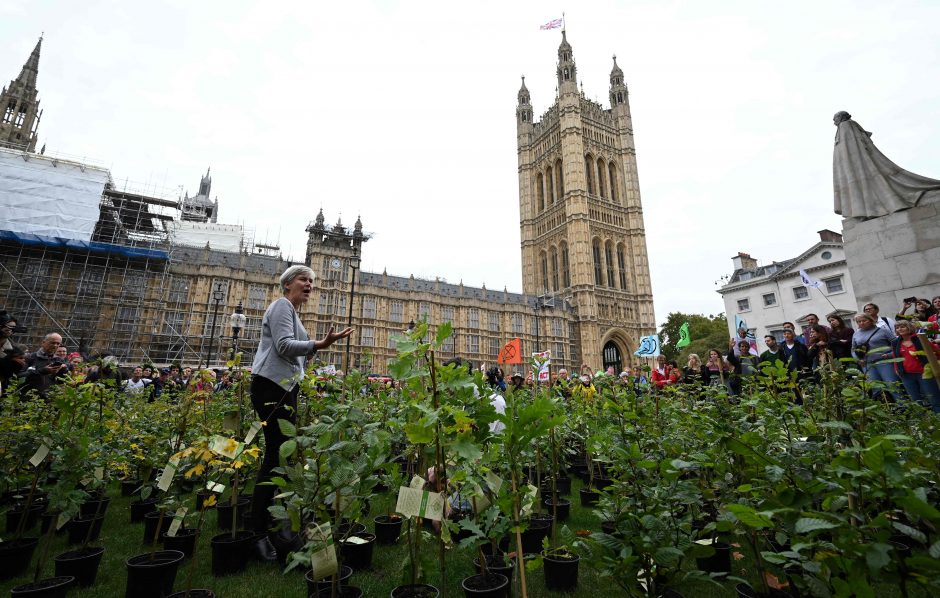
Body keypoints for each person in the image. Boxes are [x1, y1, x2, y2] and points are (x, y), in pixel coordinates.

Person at [249, 265, 353, 561]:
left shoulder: (293, 313)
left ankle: (276, 524)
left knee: (283, 456)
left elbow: (298, 350)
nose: (309, 284)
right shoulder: (282, 305)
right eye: (303, 279)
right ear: (288, 283)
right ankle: (257, 532)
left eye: (312, 281)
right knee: (275, 457)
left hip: (283, 386)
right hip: (271, 385)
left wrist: (313, 349)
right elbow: (283, 346)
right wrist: (319, 343)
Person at [890, 320, 940, 411]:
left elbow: (935, 350)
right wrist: (897, 369)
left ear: (909, 327)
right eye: (897, 327)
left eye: (902, 327)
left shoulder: (920, 338)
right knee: (915, 400)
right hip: (906, 374)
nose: (900, 329)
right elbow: (895, 357)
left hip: (924, 372)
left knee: (933, 397)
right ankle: (922, 421)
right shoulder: (895, 342)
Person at [852, 313, 901, 402]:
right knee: (874, 387)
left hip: (884, 361)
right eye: (859, 321)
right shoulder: (856, 334)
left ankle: (902, 405)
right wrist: (858, 359)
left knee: (892, 385)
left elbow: (896, 344)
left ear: (871, 320)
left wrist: (889, 354)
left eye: (864, 320)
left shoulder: (882, 331)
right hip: (867, 364)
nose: (861, 323)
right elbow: (853, 349)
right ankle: (883, 407)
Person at [22, 333, 67, 399]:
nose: (55, 345)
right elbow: (19, 376)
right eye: (52, 343)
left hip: (48, 399)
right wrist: (42, 371)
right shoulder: (30, 357)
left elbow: (61, 382)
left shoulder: (58, 360)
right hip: (28, 398)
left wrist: (63, 372)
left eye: (58, 344)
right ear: (43, 342)